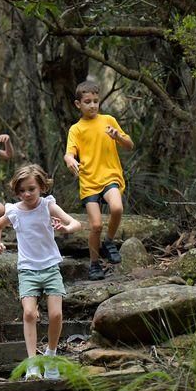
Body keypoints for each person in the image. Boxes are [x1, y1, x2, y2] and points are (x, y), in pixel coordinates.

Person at [0, 164, 81, 380]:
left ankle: (50, 355)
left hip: (50, 267)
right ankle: (32, 364)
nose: (27, 194)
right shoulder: (14, 211)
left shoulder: (48, 206)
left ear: (41, 186)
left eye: (31, 189)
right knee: (30, 313)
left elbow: (76, 223)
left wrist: (66, 229)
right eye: (22, 190)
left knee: (56, 314)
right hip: (28, 269)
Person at [63, 79, 135, 280]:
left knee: (117, 208)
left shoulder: (108, 120)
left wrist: (117, 137)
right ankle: (94, 264)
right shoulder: (76, 129)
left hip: (110, 175)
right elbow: (69, 153)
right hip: (89, 181)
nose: (93, 105)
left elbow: (129, 144)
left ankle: (109, 242)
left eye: (96, 101)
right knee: (95, 226)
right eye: (88, 101)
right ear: (78, 104)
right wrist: (70, 160)